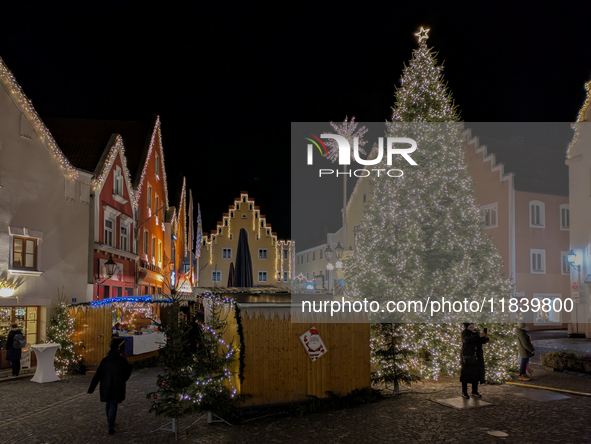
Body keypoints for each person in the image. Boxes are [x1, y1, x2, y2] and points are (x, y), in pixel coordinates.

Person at [88, 339, 132, 435]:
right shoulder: (122, 361)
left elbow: (97, 375)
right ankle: (110, 425)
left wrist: (91, 388)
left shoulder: (105, 360)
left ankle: (109, 420)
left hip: (106, 385)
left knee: (108, 402)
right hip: (117, 385)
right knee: (113, 404)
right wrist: (122, 380)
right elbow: (128, 372)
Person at [460, 323, 489, 399]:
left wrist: (485, 338)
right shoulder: (465, 333)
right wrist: (478, 336)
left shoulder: (476, 332)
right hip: (468, 357)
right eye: (470, 327)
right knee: (466, 375)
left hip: (477, 356)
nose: (472, 328)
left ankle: (474, 391)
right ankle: (464, 391)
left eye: (473, 326)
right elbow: (466, 340)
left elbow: (481, 341)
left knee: (476, 374)